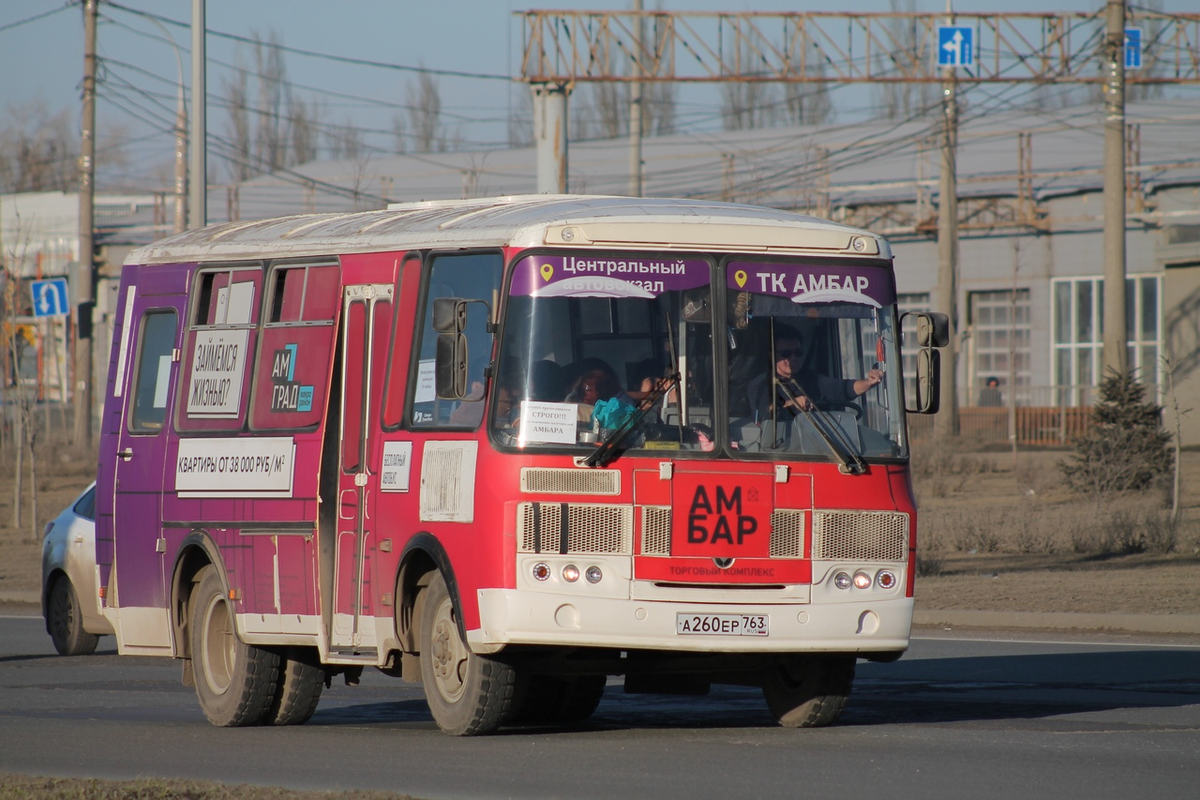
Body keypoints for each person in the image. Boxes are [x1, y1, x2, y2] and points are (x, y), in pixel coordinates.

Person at [747, 324, 882, 423]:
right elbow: (766, 413)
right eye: (786, 353)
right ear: (772, 355)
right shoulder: (759, 385)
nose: (793, 357)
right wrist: (793, 403)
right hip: (775, 447)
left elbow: (842, 388)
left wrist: (868, 382)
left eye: (798, 352)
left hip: (812, 448)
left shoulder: (811, 379)